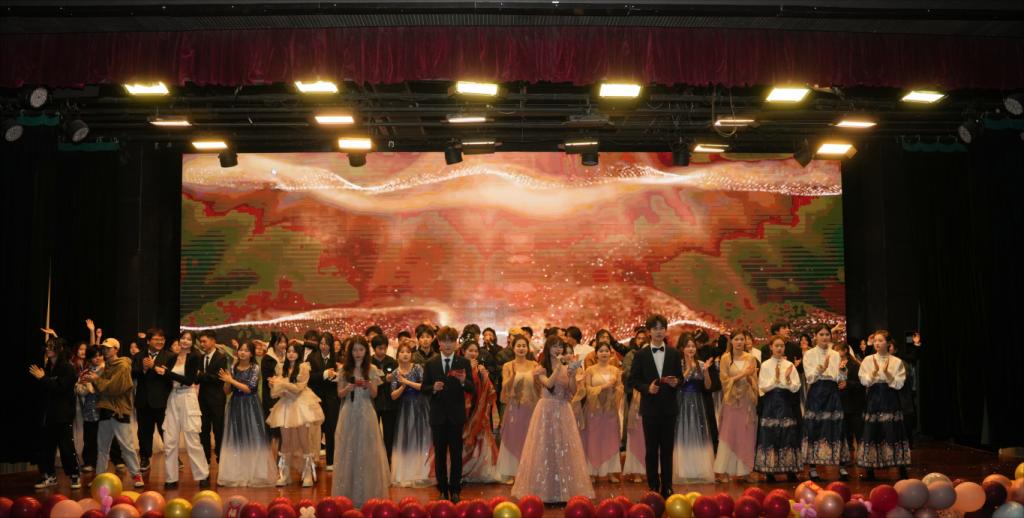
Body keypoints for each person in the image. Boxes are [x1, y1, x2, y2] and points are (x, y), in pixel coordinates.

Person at [511, 335, 595, 503]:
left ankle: (564, 490)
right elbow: (548, 384)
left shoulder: (566, 367)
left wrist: (572, 374)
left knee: (564, 448)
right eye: (555, 346)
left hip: (563, 409)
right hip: (546, 410)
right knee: (544, 447)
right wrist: (558, 368)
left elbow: (572, 390)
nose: (558, 349)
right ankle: (543, 490)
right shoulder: (541, 368)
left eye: (560, 346)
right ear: (548, 348)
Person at [627, 314, 683, 499]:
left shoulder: (674, 353)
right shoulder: (640, 355)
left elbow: (680, 378)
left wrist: (677, 382)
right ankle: (653, 486)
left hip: (669, 408)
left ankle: (667, 486)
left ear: (666, 330)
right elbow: (633, 380)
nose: (659, 332)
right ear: (649, 332)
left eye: (662, 328)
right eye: (655, 328)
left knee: (667, 450)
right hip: (650, 409)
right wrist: (647, 388)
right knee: (651, 450)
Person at [333, 335, 391, 505]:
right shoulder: (344, 370)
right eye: (354, 350)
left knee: (367, 450)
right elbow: (339, 394)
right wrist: (348, 388)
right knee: (348, 450)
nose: (357, 353)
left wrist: (368, 384)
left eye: (361, 349)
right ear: (350, 352)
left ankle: (368, 493)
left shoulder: (372, 369)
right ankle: (347, 495)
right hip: (349, 412)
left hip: (366, 411)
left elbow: (375, 394)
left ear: (366, 351)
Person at [420, 326, 475, 503]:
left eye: (451, 341)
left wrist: (463, 381)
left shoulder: (463, 362)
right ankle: (443, 490)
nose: (448, 344)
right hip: (438, 416)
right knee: (440, 454)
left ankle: (455, 490)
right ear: (439, 343)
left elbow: (472, 388)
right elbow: (424, 388)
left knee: (457, 454)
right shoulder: (431, 363)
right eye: (444, 341)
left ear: (456, 343)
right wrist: (433, 388)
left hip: (456, 416)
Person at [83, 338, 144, 488]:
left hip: (119, 411)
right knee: (102, 447)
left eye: (108, 348)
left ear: (116, 349)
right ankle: (100, 477)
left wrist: (96, 380)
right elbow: (101, 389)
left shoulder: (123, 365)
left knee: (126, 446)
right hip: (105, 409)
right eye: (104, 348)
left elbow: (114, 388)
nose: (105, 351)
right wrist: (94, 381)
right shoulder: (106, 367)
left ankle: (136, 475)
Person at [216, 341, 277, 487]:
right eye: (240, 350)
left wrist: (231, 380)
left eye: (246, 350)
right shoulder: (233, 367)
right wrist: (227, 382)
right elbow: (227, 391)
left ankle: (256, 474)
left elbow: (249, 388)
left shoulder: (255, 368)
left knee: (253, 437)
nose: (242, 353)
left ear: (251, 353)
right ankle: (237, 474)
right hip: (235, 405)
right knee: (237, 438)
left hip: (251, 405)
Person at [153, 333, 210, 489]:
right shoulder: (172, 358)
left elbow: (189, 381)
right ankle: (171, 478)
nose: (185, 341)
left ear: (192, 342)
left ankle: (203, 475)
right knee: (170, 440)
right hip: (173, 397)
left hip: (188, 396)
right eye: (183, 338)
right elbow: (168, 379)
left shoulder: (194, 358)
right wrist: (162, 373)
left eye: (189, 339)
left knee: (192, 439)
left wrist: (167, 373)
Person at [267, 343, 325, 487]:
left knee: (304, 441)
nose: (291, 354)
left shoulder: (304, 368)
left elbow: (299, 389)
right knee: (285, 442)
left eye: (294, 351)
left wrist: (281, 383)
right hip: (285, 407)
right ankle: (284, 475)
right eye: (289, 351)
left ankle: (307, 474)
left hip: (301, 406)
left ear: (299, 353)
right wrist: (274, 385)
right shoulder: (281, 367)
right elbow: (276, 393)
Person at [858, 330, 911, 480]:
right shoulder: (868, 360)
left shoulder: (896, 361)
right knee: (872, 431)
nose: (877, 343)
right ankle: (870, 469)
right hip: (874, 397)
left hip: (890, 398)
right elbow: (864, 380)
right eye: (875, 340)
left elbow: (899, 384)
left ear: (888, 343)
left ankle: (900, 467)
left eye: (880, 340)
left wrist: (887, 374)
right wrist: (874, 372)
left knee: (892, 430)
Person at [30, 336, 81, 490]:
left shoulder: (67, 368)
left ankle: (74, 475)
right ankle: (49, 476)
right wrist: (42, 379)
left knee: (66, 447)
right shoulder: (47, 367)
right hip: (48, 415)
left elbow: (61, 388)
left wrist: (43, 379)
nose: (48, 349)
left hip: (63, 415)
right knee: (47, 447)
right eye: (47, 346)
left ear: (59, 349)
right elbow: (46, 389)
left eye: (51, 346)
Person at [801, 324, 850, 481]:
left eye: (827, 334)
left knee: (837, 427)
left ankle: (841, 466)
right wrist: (820, 370)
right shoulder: (809, 354)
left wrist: (842, 373)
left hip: (832, 392)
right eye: (821, 334)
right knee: (814, 428)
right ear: (815, 336)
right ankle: (813, 468)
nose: (824, 337)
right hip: (816, 391)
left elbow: (838, 377)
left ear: (831, 336)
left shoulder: (835, 354)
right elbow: (809, 378)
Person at [754, 335, 802, 482]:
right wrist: (775, 379)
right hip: (770, 403)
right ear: (771, 347)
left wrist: (786, 380)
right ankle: (770, 471)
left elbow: (796, 387)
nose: (780, 348)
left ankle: (790, 470)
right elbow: (762, 387)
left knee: (787, 435)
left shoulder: (789, 365)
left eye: (782, 346)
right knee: (770, 435)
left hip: (785, 402)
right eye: (777, 346)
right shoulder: (765, 365)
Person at [713, 331, 759, 482]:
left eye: (742, 339)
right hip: (731, 401)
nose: (739, 342)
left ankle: (744, 471)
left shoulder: (751, 358)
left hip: (746, 400)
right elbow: (724, 381)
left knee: (745, 434)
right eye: (736, 339)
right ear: (731, 341)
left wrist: (751, 379)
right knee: (728, 434)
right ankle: (723, 471)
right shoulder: (725, 358)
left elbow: (754, 381)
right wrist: (743, 374)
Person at [496, 333, 540, 483]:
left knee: (529, 438)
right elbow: (504, 387)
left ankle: (528, 472)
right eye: (518, 346)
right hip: (514, 408)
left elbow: (540, 386)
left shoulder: (534, 365)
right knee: (513, 437)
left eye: (524, 346)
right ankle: (511, 472)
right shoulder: (508, 366)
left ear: (528, 348)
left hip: (531, 408)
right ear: (513, 348)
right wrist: (513, 376)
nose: (521, 348)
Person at [388, 340, 433, 487]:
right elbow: (393, 396)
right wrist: (402, 386)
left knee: (422, 438)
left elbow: (424, 386)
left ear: (411, 355)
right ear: (397, 355)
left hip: (421, 406)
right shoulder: (395, 372)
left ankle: (423, 473)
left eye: (408, 352)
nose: (405, 354)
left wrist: (407, 382)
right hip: (405, 409)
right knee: (407, 440)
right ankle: (406, 473)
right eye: (402, 352)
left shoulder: (417, 368)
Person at [672, 334, 715, 483]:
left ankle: (699, 470)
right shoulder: (678, 364)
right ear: (682, 348)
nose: (691, 349)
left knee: (699, 433)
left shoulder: (701, 364)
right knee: (683, 432)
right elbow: (677, 383)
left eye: (693, 346)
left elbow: (708, 386)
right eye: (687, 346)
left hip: (698, 403)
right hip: (682, 401)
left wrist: (706, 371)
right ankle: (684, 470)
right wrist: (688, 369)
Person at [579, 343, 623, 482]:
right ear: (596, 354)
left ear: (610, 353)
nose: (604, 353)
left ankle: (610, 472)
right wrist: (604, 386)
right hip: (594, 410)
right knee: (593, 439)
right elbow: (587, 389)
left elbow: (620, 389)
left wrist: (615, 389)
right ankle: (592, 472)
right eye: (601, 351)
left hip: (610, 410)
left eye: (606, 351)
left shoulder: (615, 370)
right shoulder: (590, 370)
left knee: (610, 439)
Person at [131, 329, 174, 472]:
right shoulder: (138, 356)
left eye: (162, 339)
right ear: (148, 341)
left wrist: (153, 367)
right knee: (144, 432)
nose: (160, 342)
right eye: (156, 339)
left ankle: (173, 456)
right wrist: (143, 368)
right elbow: (132, 373)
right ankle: (144, 458)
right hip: (143, 401)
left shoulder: (170, 356)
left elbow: (172, 377)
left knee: (166, 431)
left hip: (163, 401)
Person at [460, 340, 500, 483]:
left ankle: (478, 472)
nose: (473, 353)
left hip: (479, 410)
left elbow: (489, 390)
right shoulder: (458, 368)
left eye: (476, 351)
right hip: (463, 410)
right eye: (470, 350)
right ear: (463, 351)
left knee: (480, 440)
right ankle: (461, 471)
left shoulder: (481, 369)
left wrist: (485, 376)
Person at [307, 331, 340, 471]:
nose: (323, 346)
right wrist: (324, 374)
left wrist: (337, 376)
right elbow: (309, 377)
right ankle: (313, 460)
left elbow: (343, 376)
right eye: (321, 343)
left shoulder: (336, 357)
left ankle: (331, 461)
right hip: (317, 398)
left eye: (326, 344)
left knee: (331, 429)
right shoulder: (312, 357)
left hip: (332, 398)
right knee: (316, 430)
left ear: (331, 345)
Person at [196, 330, 228, 465]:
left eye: (204, 341)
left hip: (217, 399)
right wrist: (202, 376)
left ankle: (221, 457)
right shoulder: (200, 357)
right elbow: (196, 378)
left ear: (213, 341)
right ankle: (205, 458)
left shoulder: (221, 357)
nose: (202, 344)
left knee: (218, 430)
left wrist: (202, 375)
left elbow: (218, 379)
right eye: (201, 342)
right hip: (203, 399)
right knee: (203, 430)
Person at [370, 333, 399, 463]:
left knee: (389, 433)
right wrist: (384, 379)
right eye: (380, 348)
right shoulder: (369, 362)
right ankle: (374, 459)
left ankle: (388, 459)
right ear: (374, 348)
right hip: (373, 402)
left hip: (390, 403)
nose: (382, 351)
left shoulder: (392, 362)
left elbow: (396, 380)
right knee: (373, 433)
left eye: (385, 348)